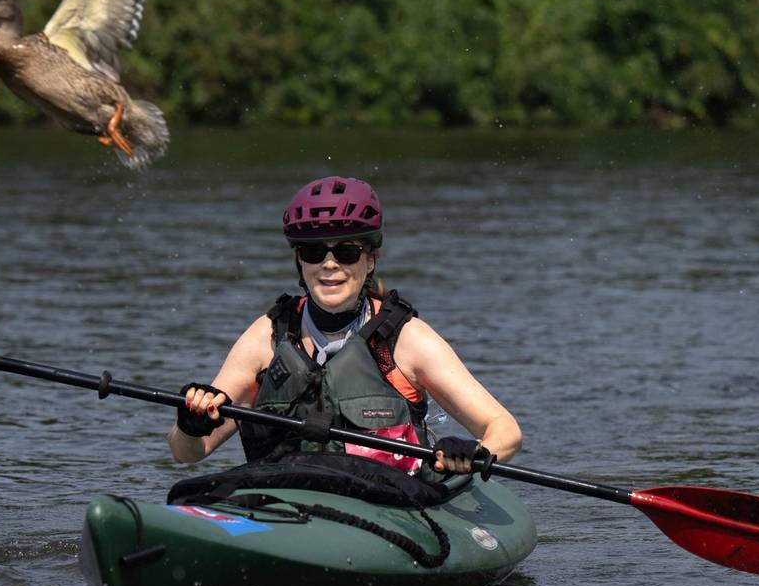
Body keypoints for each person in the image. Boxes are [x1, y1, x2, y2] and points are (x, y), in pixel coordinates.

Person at [168, 176, 522, 478]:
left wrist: (472, 451)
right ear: (299, 261)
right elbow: (188, 453)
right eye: (313, 252)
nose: (329, 265)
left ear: (371, 260)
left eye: (347, 252)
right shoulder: (268, 336)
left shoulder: (406, 340)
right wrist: (191, 424)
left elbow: (504, 430)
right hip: (280, 501)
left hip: (389, 509)